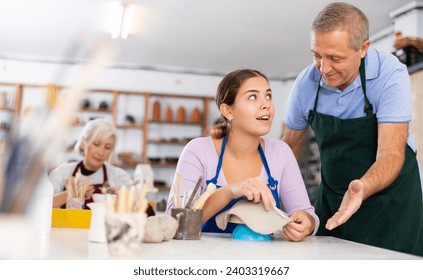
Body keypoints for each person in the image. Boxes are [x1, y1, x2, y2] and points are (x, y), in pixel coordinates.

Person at [282, 2, 423, 256]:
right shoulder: (306, 83)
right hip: (334, 200)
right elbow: (288, 150)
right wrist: (277, 202)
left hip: (391, 203)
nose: (323, 68)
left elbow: (391, 154)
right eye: (316, 55)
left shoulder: (389, 75)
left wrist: (362, 187)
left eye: (334, 58)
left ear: (363, 49)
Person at [166, 69, 319, 242]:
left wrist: (307, 223)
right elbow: (174, 222)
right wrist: (229, 192)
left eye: (268, 96)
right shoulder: (198, 150)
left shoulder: (281, 152)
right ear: (227, 111)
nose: (266, 104)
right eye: (253, 97)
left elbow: (307, 213)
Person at [49, 118, 151, 213]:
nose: (101, 152)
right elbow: (40, 207)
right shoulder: (63, 173)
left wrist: (125, 197)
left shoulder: (119, 176)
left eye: (107, 147)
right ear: (83, 144)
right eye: (96, 144)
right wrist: (71, 194)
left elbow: (149, 212)